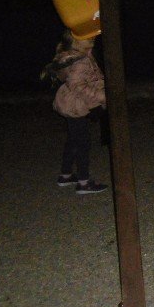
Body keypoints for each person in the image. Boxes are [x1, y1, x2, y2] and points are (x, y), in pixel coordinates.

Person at [45, 30, 108, 194]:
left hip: (70, 103)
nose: (92, 38)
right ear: (75, 42)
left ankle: (65, 175)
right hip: (75, 105)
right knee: (82, 142)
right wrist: (102, 97)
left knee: (73, 140)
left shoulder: (76, 55)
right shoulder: (80, 60)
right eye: (87, 38)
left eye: (92, 37)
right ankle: (83, 182)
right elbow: (78, 86)